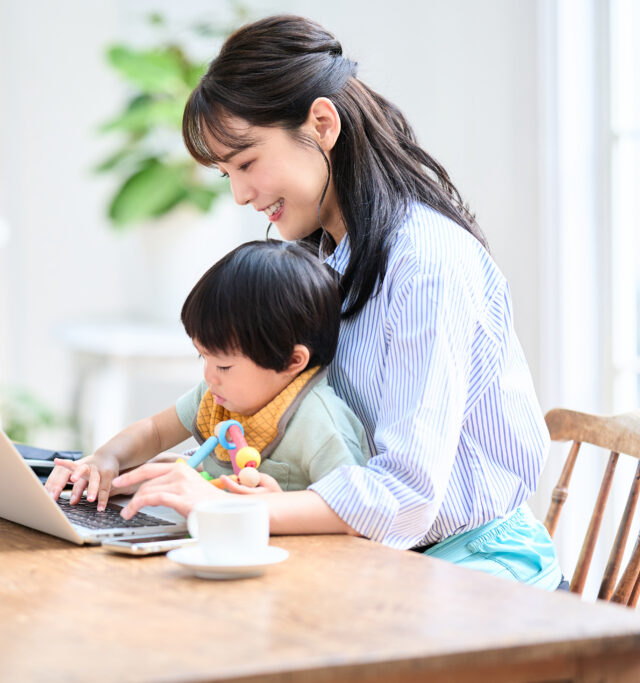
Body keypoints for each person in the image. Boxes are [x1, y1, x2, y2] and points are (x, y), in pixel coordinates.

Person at [105, 14, 563, 590]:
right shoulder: (324, 258)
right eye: (227, 174)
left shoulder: (428, 261)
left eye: (246, 162)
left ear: (322, 123)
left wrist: (227, 508)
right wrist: (168, 475)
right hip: (378, 557)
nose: (241, 194)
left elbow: (406, 494)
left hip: (477, 569)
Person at [44, 239, 369, 511]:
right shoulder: (217, 396)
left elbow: (350, 510)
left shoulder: (320, 423)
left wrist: (276, 505)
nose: (209, 376)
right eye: (204, 357)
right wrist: (107, 458)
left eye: (224, 365)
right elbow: (155, 431)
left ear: (292, 361)